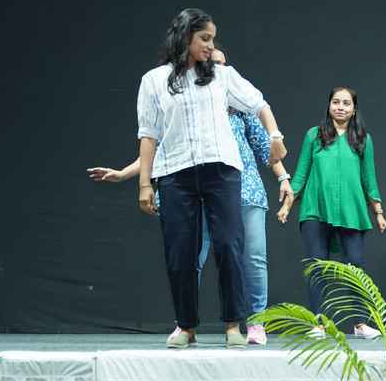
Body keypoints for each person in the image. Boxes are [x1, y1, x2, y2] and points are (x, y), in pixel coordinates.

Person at [88, 49, 292, 346]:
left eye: (220, 64)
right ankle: (185, 323)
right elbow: (156, 146)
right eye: (210, 63)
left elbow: (267, 149)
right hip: (200, 191)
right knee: (191, 256)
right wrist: (124, 175)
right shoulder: (187, 107)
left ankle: (255, 323)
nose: (214, 68)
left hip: (244, 191)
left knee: (252, 259)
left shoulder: (243, 111)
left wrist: (284, 178)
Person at [135, 8, 288, 349]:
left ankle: (233, 325)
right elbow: (148, 135)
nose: (210, 45)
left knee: (229, 245)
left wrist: (275, 136)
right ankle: (186, 326)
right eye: (204, 38)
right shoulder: (154, 80)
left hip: (221, 171)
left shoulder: (222, 75)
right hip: (174, 173)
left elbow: (259, 103)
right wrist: (145, 184)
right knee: (180, 251)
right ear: (185, 37)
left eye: (213, 39)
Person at [276, 86, 386, 339]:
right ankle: (318, 324)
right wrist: (287, 205)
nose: (341, 107)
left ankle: (360, 324)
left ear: (354, 109)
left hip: (352, 210)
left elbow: (369, 178)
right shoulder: (314, 135)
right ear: (329, 105)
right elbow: (301, 174)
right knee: (317, 267)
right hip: (315, 209)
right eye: (336, 102)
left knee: (355, 266)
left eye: (346, 103)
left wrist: (378, 211)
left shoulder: (363, 139)